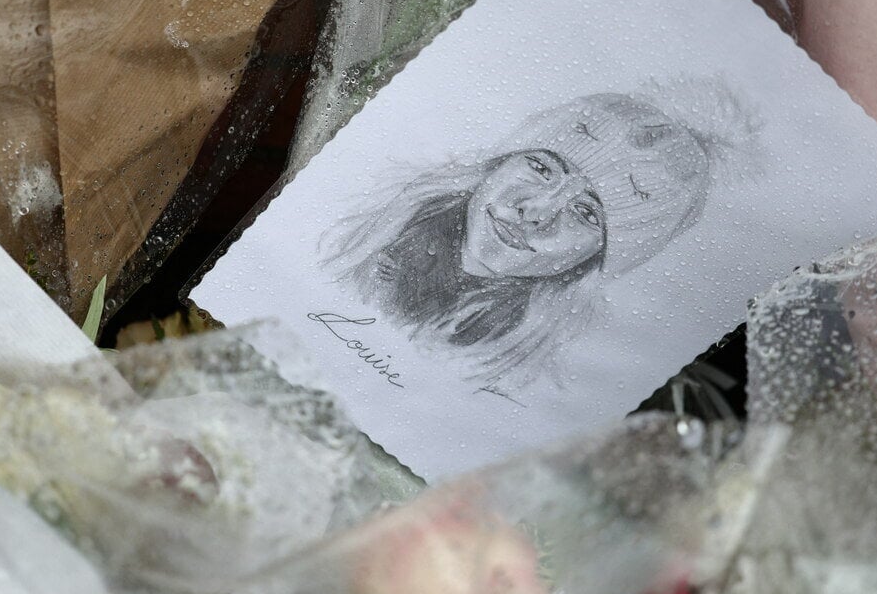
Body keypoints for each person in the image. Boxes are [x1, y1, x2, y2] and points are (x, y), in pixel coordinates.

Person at [322, 91, 754, 389]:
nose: (537, 212)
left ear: (600, 257)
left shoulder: (524, 360)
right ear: (498, 163)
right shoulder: (375, 232)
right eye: (542, 168)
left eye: (587, 213)